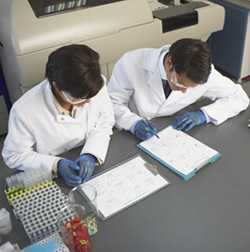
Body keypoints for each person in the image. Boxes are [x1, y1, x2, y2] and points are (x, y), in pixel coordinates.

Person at [2, 44, 115, 187]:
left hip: (92, 162)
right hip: (51, 176)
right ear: (56, 86)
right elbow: (14, 155)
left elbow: (105, 120)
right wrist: (56, 165)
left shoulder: (94, 85)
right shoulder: (24, 110)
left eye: (89, 98)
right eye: (79, 98)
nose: (86, 103)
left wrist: (92, 153)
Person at [107, 38, 249, 140]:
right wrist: (132, 123)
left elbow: (239, 96)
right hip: (127, 135)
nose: (184, 91)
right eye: (181, 84)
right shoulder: (131, 63)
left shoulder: (203, 72)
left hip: (169, 131)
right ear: (170, 64)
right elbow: (112, 103)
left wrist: (203, 115)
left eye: (191, 88)